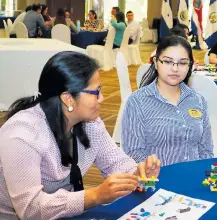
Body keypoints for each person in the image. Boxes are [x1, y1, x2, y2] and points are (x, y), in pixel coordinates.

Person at [0, 51, 161, 219]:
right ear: (68, 99)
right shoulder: (22, 136)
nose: (102, 98)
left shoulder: (91, 123)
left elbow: (117, 163)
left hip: (67, 213)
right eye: (96, 92)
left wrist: (138, 174)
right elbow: (30, 209)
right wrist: (94, 196)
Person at [121, 36, 214, 166]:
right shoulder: (137, 101)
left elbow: (206, 149)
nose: (175, 69)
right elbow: (133, 152)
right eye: (168, 61)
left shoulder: (198, 100)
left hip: (195, 178)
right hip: (156, 180)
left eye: (182, 63)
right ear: (155, 62)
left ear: (190, 65)